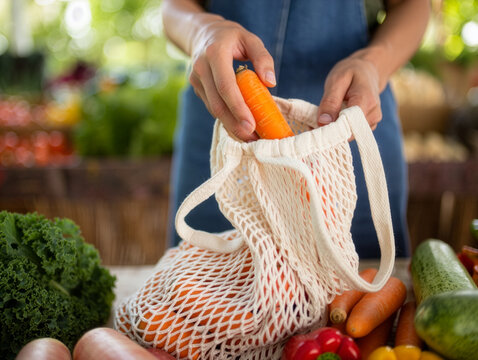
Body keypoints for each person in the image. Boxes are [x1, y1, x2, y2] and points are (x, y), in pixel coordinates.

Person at [161, 0, 430, 258]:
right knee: (207, 277)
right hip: (222, 124)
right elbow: (174, 6)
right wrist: (202, 32)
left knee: (358, 279)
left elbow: (413, 4)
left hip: (346, 124)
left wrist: (373, 64)